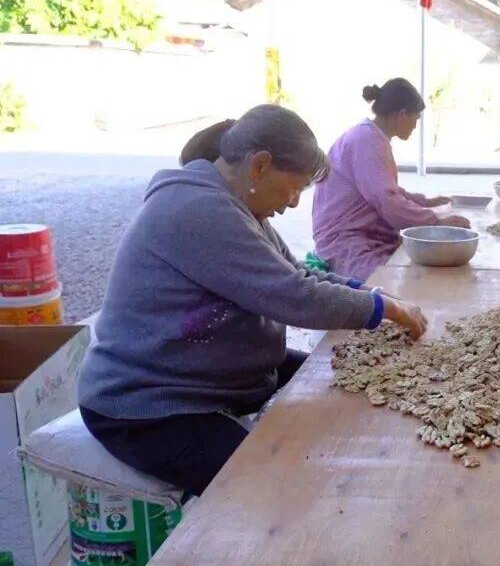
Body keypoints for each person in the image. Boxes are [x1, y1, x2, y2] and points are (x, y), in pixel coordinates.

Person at [77, 105, 428, 497]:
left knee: (348, 377)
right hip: (149, 402)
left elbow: (298, 272)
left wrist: (372, 294)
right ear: (260, 166)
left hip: (211, 370)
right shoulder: (197, 209)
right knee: (269, 488)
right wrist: (383, 309)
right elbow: (293, 296)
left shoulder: (237, 206)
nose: (294, 203)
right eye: (294, 188)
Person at [312, 77, 469, 279]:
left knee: (422, 268)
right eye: (416, 119)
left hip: (362, 236)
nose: (415, 126)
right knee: (404, 283)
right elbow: (386, 200)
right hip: (345, 243)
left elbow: (386, 189)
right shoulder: (367, 140)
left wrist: (425, 202)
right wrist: (436, 222)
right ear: (401, 115)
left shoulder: (370, 135)